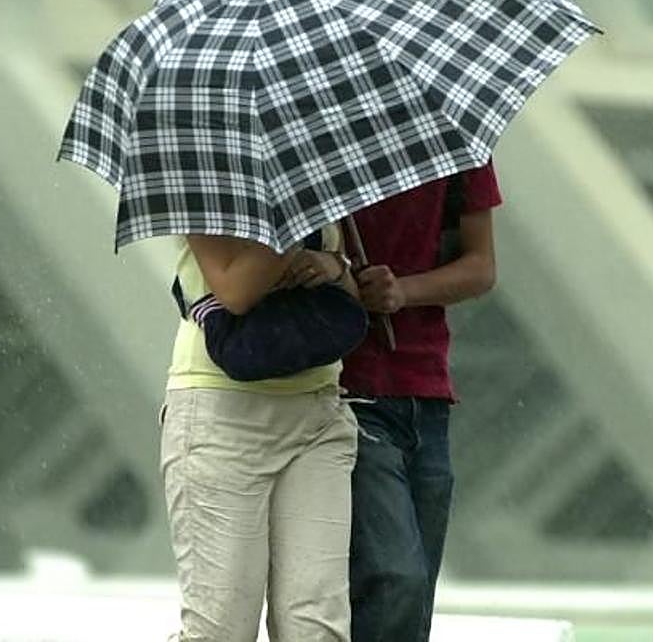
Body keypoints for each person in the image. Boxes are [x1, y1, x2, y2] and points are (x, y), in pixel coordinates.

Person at [159, 224, 360, 641]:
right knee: (221, 629)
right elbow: (235, 291)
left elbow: (348, 299)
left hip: (318, 414)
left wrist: (334, 268)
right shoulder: (202, 172)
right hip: (220, 415)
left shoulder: (310, 173)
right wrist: (293, 231)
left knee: (318, 628)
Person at [338, 162, 502, 642]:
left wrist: (401, 292)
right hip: (349, 393)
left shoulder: (453, 141)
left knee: (414, 593)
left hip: (427, 394)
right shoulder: (319, 137)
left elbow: (481, 266)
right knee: (395, 578)